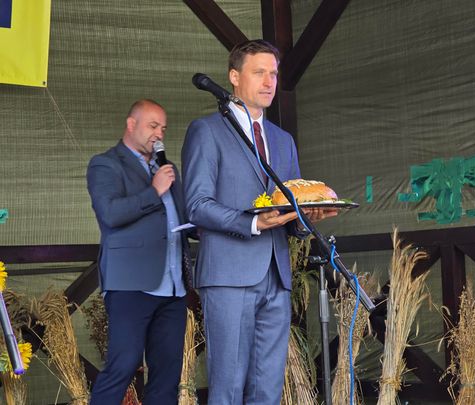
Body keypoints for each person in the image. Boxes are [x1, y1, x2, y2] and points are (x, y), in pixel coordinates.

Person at [182, 39, 337, 405]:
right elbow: (197, 205)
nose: (269, 82)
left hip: (276, 276)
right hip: (228, 275)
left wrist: (307, 217)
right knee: (228, 388)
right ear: (234, 77)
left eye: (274, 74)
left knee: (267, 389)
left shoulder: (283, 141)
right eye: (259, 72)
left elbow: (290, 210)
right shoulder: (207, 131)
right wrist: (253, 223)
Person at [87, 99, 192, 405]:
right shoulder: (106, 164)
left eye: (163, 129)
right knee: (123, 366)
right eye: (152, 126)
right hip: (131, 285)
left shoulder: (167, 170)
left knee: (166, 375)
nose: (159, 134)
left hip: (173, 287)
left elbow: (181, 218)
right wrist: (154, 191)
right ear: (131, 124)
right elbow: (110, 214)